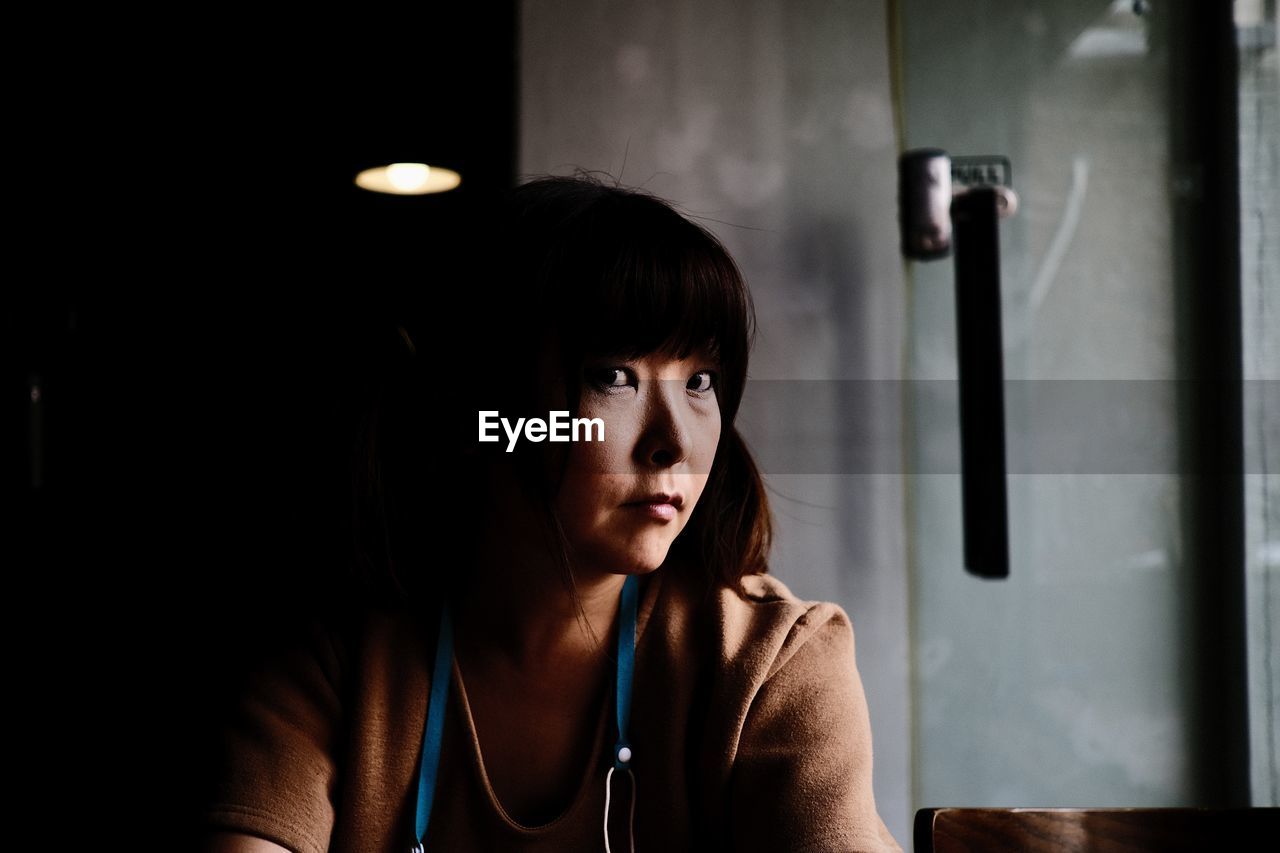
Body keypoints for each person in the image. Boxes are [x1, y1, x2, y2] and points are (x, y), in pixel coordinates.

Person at [198, 174, 901, 852]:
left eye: (701, 381)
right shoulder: (338, 663)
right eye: (614, 376)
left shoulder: (769, 667)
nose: (674, 442)